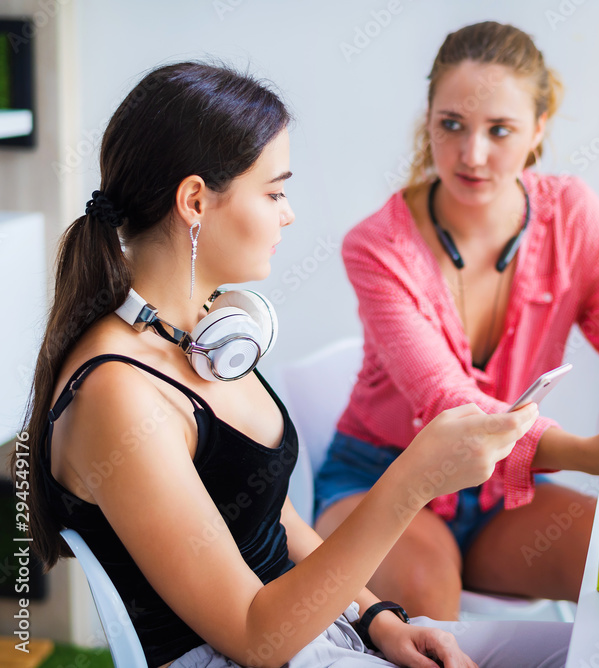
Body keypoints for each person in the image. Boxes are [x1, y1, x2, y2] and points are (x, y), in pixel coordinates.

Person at [19, 61, 570, 668]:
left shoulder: (207, 333)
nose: (288, 214)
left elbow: (273, 516)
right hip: (252, 649)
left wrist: (378, 617)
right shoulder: (118, 396)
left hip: (319, 625)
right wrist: (413, 482)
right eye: (274, 192)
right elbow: (254, 636)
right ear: (195, 200)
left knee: (576, 651)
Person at [314, 21, 599, 620]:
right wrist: (589, 454)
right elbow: (449, 404)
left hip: (503, 491)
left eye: (499, 130)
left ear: (538, 129)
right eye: (452, 125)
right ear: (429, 121)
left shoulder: (572, 214)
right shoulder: (376, 247)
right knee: (425, 600)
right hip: (385, 478)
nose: (472, 155)